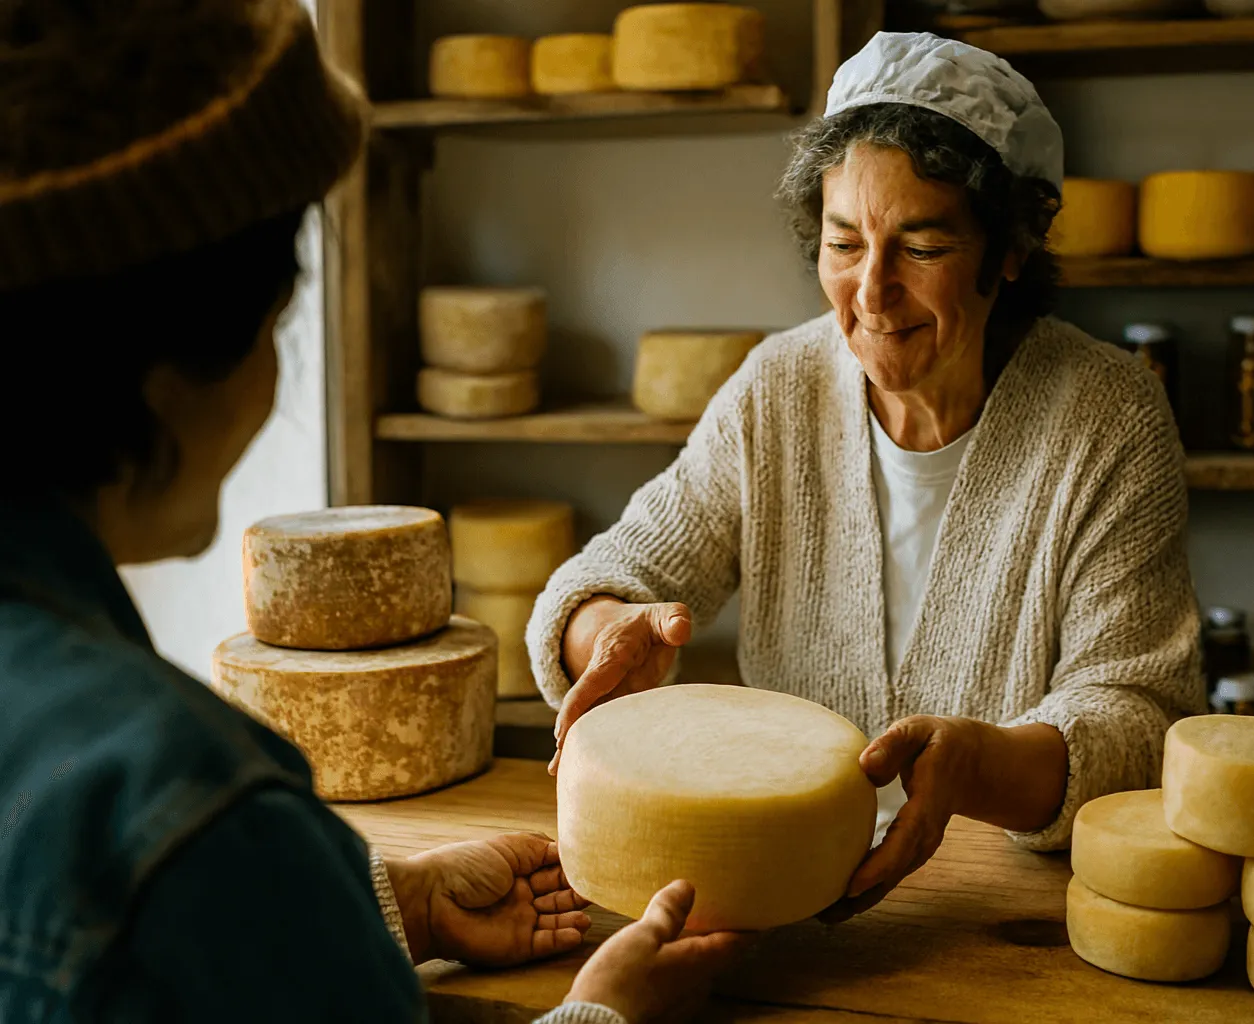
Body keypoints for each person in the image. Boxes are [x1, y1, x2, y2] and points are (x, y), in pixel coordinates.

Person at [0, 2, 739, 1021]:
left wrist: (400, 905)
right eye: (277, 319)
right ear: (177, 365)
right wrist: (604, 1009)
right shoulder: (201, 815)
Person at [531, 31, 1206, 920]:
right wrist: (608, 630)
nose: (871, 292)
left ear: (1010, 247)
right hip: (771, 892)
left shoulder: (1107, 415)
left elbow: (1138, 715)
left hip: (996, 912)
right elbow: (612, 574)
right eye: (845, 243)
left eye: (921, 248)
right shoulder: (780, 386)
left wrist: (981, 767)